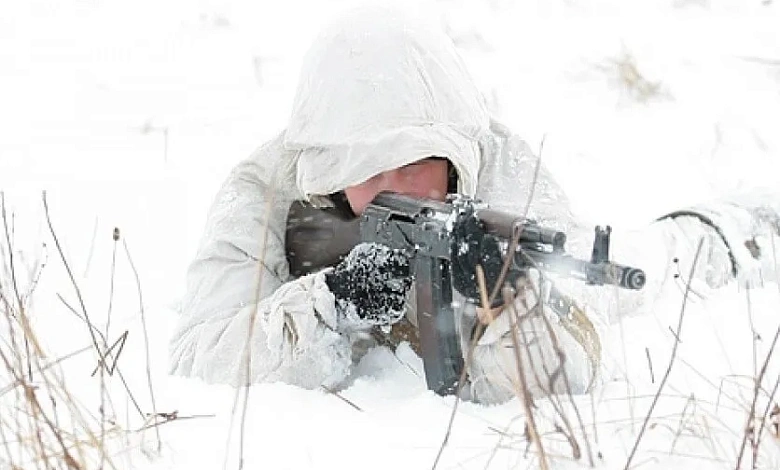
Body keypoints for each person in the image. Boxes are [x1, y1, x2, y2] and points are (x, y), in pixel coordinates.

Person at [168, 5, 779, 404]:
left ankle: (733, 230)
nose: (395, 187)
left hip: (629, 270)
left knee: (654, 263)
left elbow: (570, 370)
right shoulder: (268, 189)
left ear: (454, 154)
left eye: (415, 163)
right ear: (330, 170)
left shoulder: (500, 167)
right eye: (367, 171)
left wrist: (502, 303)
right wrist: (333, 303)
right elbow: (200, 361)